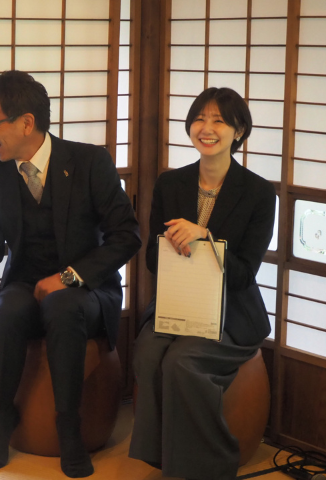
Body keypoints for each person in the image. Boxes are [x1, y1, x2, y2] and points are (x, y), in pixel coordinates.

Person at [0, 70, 141, 478]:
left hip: (87, 289)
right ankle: (1, 421)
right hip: (27, 281)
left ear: (26, 122)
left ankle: (69, 428)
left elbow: (127, 236)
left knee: (63, 306)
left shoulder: (89, 161)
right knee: (6, 310)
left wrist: (70, 277)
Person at [129, 87, 276, 480]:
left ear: (239, 131)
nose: (206, 128)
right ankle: (165, 459)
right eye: (199, 119)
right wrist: (172, 246)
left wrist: (206, 239)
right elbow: (152, 261)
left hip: (232, 311)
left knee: (183, 362)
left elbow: (245, 273)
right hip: (178, 302)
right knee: (148, 352)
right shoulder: (170, 184)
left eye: (219, 121)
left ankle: (211, 465)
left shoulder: (259, 192)